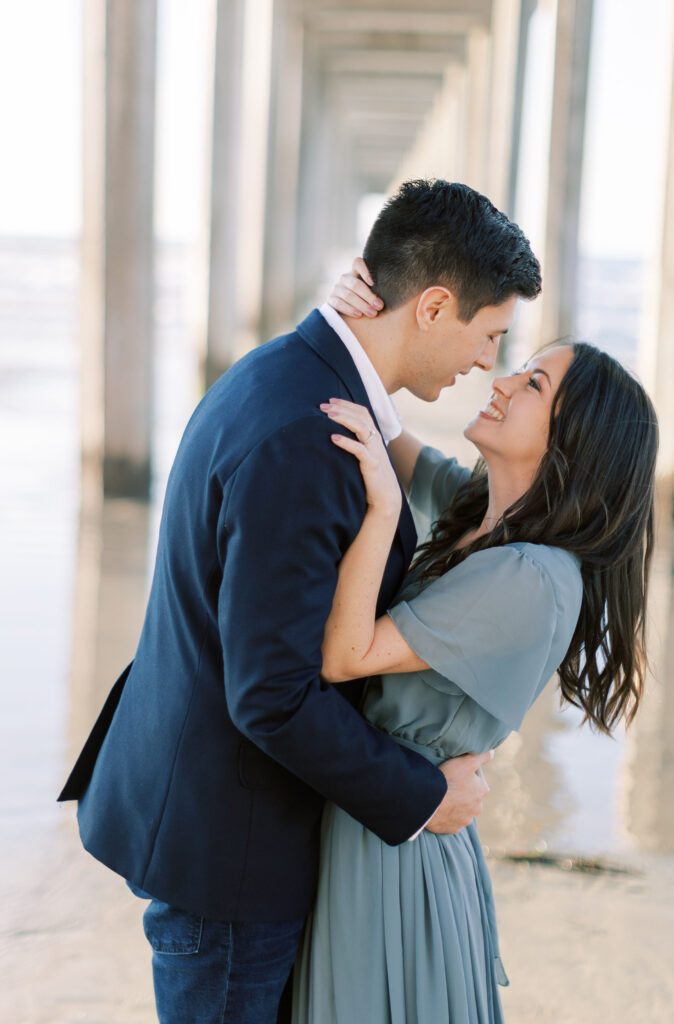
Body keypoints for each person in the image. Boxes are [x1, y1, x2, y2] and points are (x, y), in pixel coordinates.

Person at [57, 180, 542, 1024]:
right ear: (433, 305)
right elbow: (271, 696)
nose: (485, 365)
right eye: (489, 334)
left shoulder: (295, 374)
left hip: (222, 827)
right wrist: (425, 796)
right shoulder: (305, 438)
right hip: (231, 859)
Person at [290, 277, 658, 1022]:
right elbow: (380, 422)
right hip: (385, 814)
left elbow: (347, 654)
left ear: (571, 438)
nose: (501, 380)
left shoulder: (530, 575)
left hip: (394, 847)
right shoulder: (479, 514)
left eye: (532, 385)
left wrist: (383, 509)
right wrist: (343, 317)